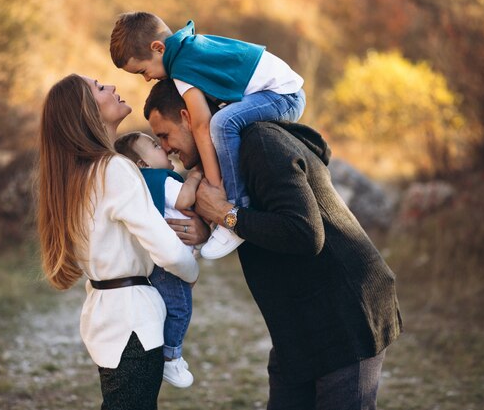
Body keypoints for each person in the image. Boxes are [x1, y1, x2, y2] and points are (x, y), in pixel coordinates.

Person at [143, 79, 403, 410]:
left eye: (164, 136)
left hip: (345, 313)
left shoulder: (259, 143)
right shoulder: (223, 162)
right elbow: (257, 225)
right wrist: (212, 227)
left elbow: (305, 232)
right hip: (296, 323)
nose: (165, 149)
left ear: (187, 116)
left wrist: (227, 215)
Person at [37, 74, 208, 409]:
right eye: (100, 88)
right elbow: (169, 251)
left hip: (105, 314)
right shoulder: (113, 168)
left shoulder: (80, 174)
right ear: (86, 112)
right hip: (133, 319)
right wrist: (191, 272)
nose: (112, 87)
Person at [110, 11, 306, 260]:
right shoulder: (188, 50)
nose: (147, 78)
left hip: (283, 94)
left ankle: (235, 208)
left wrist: (217, 193)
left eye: (142, 71)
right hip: (280, 92)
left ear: (158, 48)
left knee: (222, 124)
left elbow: (201, 124)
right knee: (224, 125)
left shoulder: (182, 66)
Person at [114, 131, 203, 388]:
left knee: (176, 307)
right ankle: (170, 357)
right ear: (144, 164)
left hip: (162, 264)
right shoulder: (158, 179)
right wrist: (195, 175)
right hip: (168, 265)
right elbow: (186, 198)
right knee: (180, 309)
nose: (163, 148)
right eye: (155, 145)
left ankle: (171, 354)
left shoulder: (144, 182)